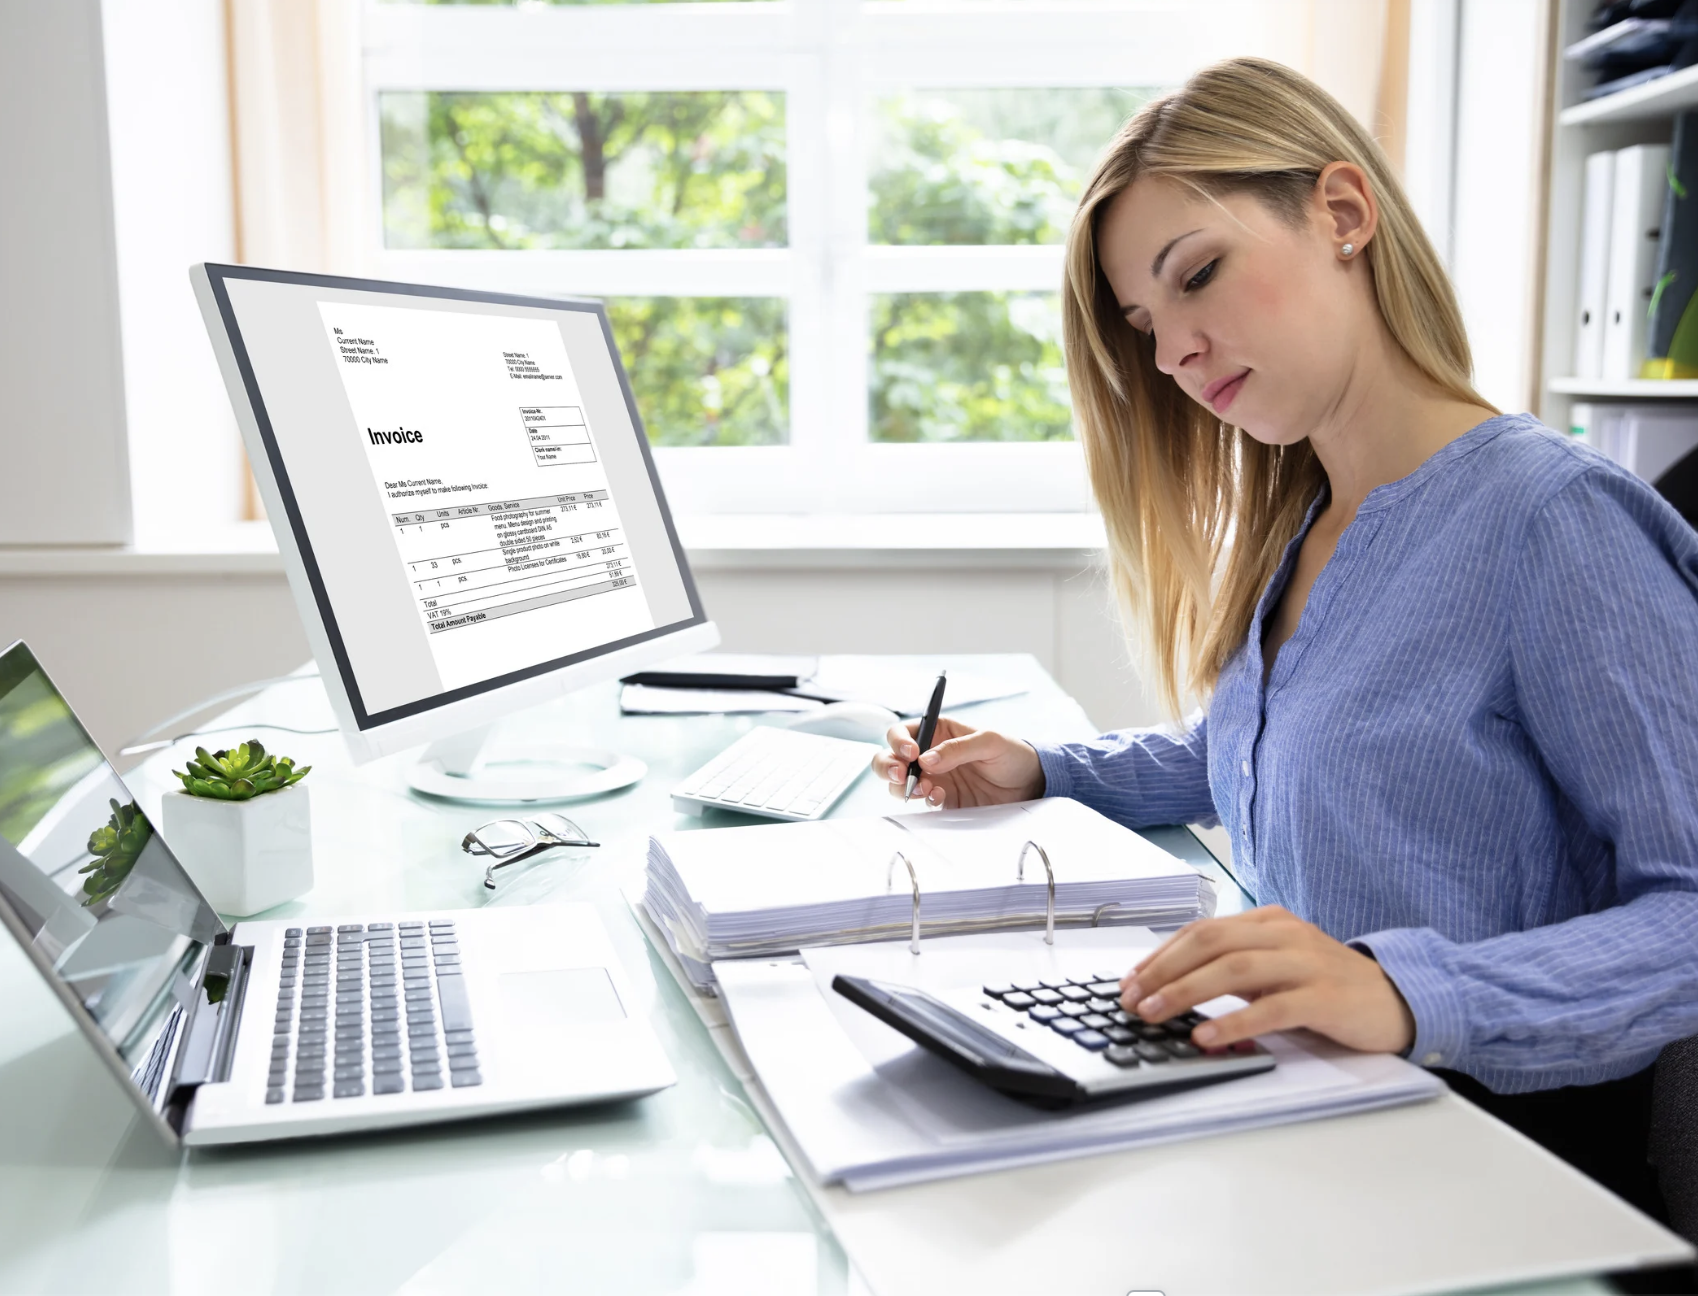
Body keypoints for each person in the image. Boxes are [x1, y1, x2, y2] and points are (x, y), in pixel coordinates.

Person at [872, 56, 1698, 1218]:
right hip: (1308, 1109)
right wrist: (1048, 767)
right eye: (1145, 325)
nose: (1170, 357)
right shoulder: (1308, 518)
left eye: (1197, 277)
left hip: (1478, 1162)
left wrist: (1406, 989)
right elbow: (1279, 741)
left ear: (1343, 214)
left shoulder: (1552, 524)